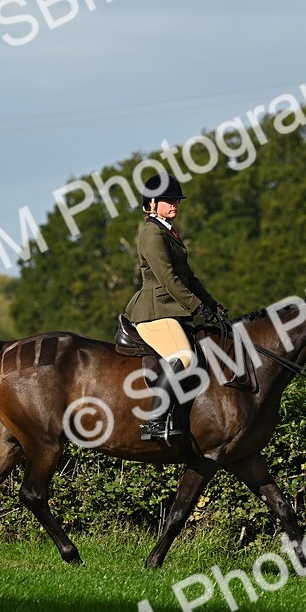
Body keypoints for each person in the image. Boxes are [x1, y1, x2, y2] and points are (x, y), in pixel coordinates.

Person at [124, 173, 228, 441]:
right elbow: (168, 278)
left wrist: (211, 305)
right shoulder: (151, 234)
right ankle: (154, 421)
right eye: (169, 200)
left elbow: (189, 277)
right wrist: (196, 308)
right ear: (151, 203)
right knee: (184, 358)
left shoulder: (168, 232)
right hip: (155, 311)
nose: (175, 205)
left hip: (173, 310)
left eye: (177, 201)